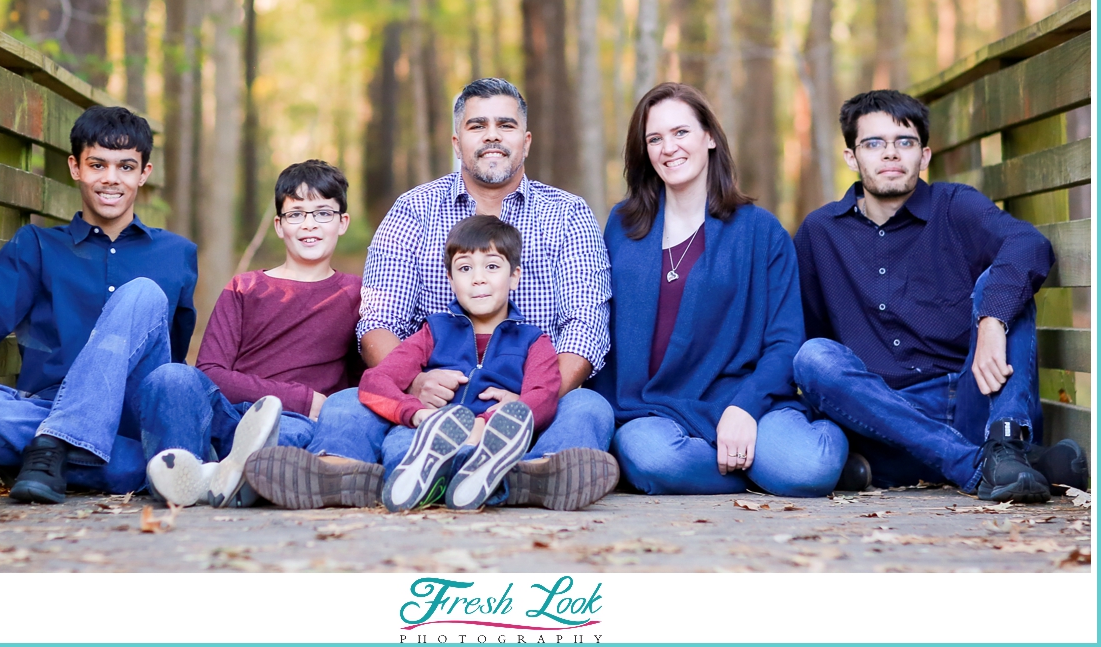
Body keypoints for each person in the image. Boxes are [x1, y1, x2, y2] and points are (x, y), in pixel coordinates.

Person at [245, 78, 618, 511]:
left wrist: (533, 401)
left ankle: (535, 472)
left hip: (535, 400)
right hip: (431, 402)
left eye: (506, 125)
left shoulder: (567, 214)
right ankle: (336, 470)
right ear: (458, 141)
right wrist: (415, 384)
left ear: (526, 140)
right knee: (351, 401)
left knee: (589, 406)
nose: (493, 134)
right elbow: (379, 320)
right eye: (478, 125)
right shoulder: (414, 210)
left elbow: (586, 328)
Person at [792, 90, 1089, 502]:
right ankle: (986, 465)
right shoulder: (819, 232)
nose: (891, 154)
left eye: (905, 142)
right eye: (874, 143)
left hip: (973, 401)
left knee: (1003, 286)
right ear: (851, 157)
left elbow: (1028, 243)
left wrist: (992, 320)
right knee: (813, 357)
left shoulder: (956, 206)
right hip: (883, 417)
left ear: (924, 156)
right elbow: (804, 330)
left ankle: (1002, 446)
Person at [0, 106, 197, 503]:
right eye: (97, 164)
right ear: (75, 167)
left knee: (144, 293)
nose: (110, 179)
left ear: (144, 173)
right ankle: (142, 469)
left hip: (133, 419)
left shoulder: (177, 253)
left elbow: (171, 349)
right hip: (57, 407)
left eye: (125, 167)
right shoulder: (36, 245)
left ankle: (55, 449)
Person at [596, 82, 848, 497]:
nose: (668, 147)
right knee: (650, 457)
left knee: (808, 468)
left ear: (709, 137)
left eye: (681, 133)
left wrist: (745, 407)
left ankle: (806, 458)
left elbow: (785, 340)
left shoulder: (760, 231)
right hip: (653, 408)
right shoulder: (624, 225)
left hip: (741, 397)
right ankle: (754, 471)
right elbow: (607, 328)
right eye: (655, 138)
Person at [141, 160, 370, 508]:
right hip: (231, 415)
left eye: (323, 213)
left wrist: (311, 410)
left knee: (289, 438)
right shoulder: (245, 287)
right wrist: (303, 399)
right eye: (296, 215)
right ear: (279, 226)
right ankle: (197, 475)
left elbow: (359, 384)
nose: (309, 224)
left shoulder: (356, 295)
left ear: (343, 222)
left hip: (293, 426)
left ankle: (222, 476)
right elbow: (212, 374)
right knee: (171, 377)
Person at [353, 215, 559, 512]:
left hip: (491, 437)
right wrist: (418, 415)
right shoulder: (434, 331)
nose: (478, 278)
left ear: (514, 276)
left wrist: (486, 424)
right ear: (450, 279)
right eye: (465, 268)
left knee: (499, 447)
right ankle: (435, 478)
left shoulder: (532, 341)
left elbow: (544, 395)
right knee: (400, 445)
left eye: (491, 266)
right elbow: (375, 382)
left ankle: (471, 472)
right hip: (424, 431)